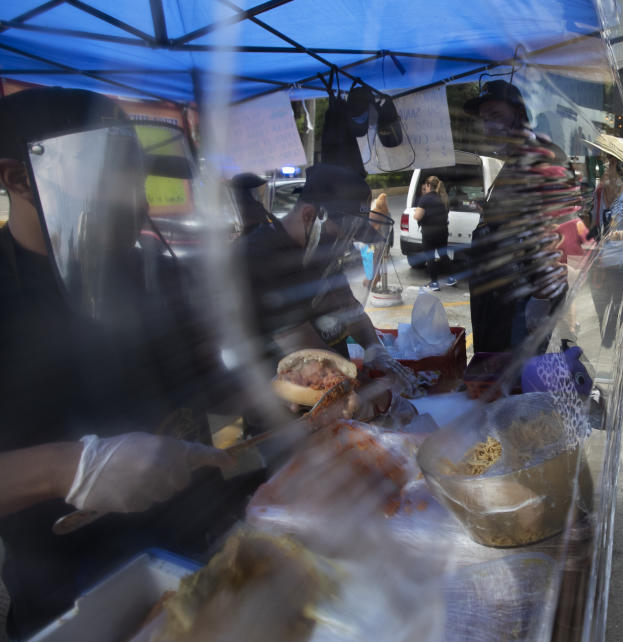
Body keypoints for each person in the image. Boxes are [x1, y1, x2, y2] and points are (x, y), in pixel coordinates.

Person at [0, 87, 237, 636]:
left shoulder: (161, 273)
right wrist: (70, 468)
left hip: (199, 556)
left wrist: (249, 468)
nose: (139, 203)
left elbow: (217, 397)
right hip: (71, 595)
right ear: (18, 179)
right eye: (106, 176)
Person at [237, 162, 416, 394]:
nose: (343, 247)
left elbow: (351, 309)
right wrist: (356, 385)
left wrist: (376, 350)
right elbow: (299, 338)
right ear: (310, 215)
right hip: (274, 394)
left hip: (319, 382)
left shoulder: (320, 254)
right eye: (339, 236)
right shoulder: (263, 253)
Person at [462, 79, 576, 353]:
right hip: (504, 293)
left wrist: (541, 296)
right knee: (496, 374)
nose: (489, 126)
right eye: (484, 119)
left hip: (528, 294)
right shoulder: (514, 159)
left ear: (519, 115)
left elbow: (559, 227)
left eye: (496, 115)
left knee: (514, 380)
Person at [583, 135, 623, 351]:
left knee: (618, 316)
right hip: (599, 264)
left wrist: (618, 235)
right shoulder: (598, 193)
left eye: (601, 159)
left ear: (613, 161)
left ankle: (616, 355)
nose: (597, 163)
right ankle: (606, 354)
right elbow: (593, 226)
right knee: (602, 316)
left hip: (622, 265)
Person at [412, 175, 455, 290]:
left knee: (430, 256)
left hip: (429, 232)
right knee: (443, 254)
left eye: (425, 185)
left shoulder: (425, 199)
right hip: (442, 231)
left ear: (428, 185)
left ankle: (434, 283)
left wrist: (416, 212)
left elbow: (417, 216)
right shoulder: (443, 197)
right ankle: (452, 278)